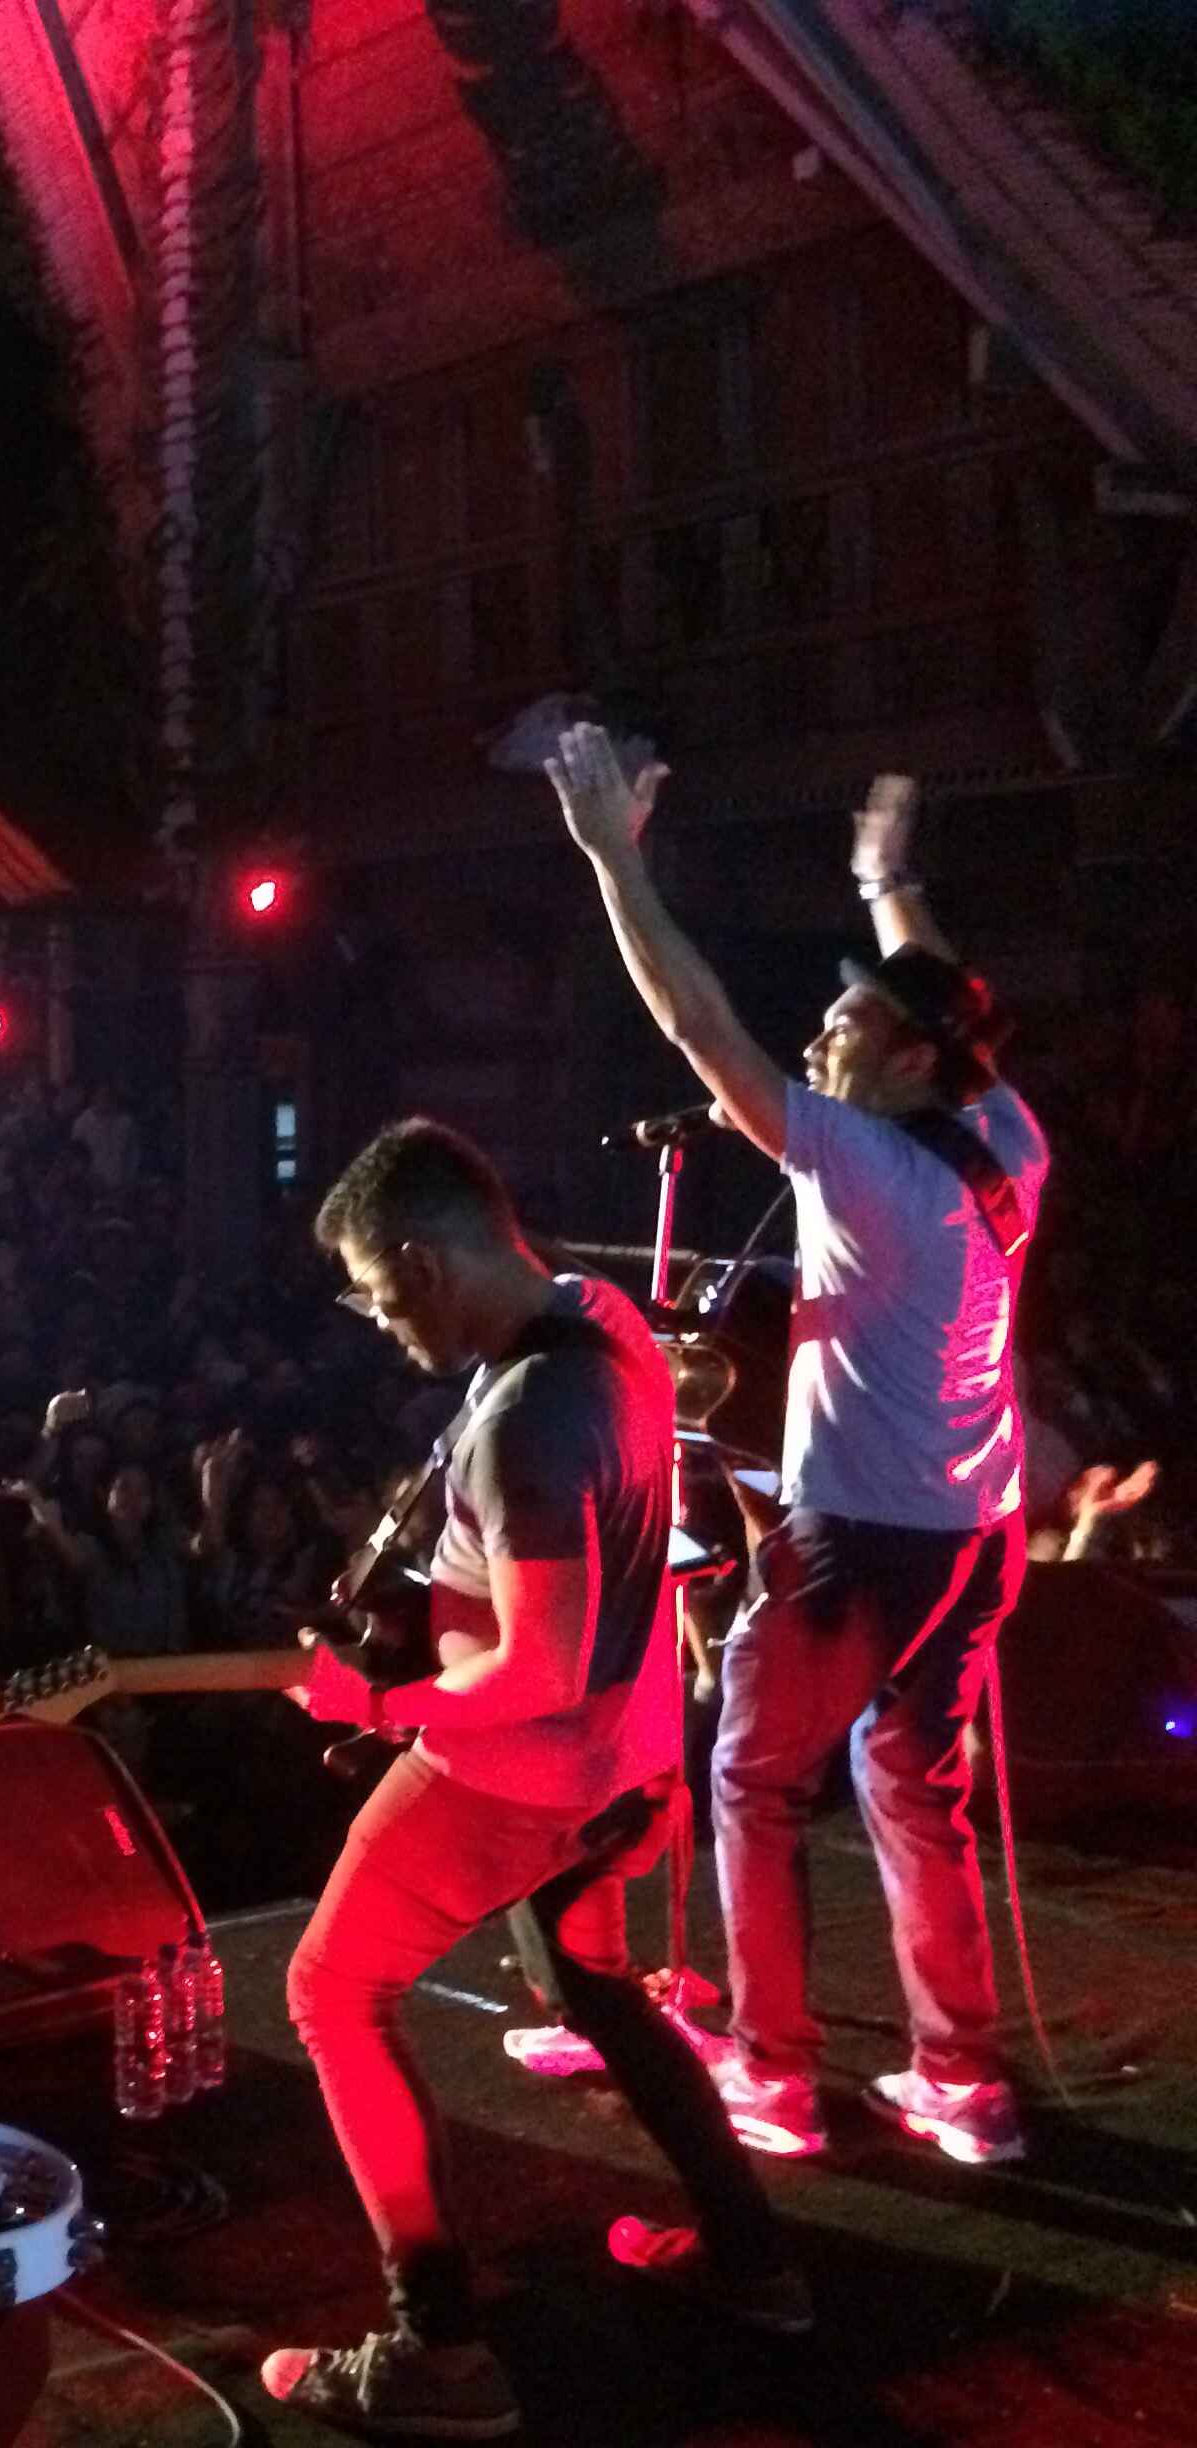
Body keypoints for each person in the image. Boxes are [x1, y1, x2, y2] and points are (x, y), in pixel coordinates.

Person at [261, 1120, 800, 2441]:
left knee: (332, 1991)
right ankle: (756, 2261)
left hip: (521, 1774)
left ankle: (436, 2354)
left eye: (385, 1300)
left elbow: (536, 1671)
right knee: (591, 1983)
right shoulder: (603, 1317)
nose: (385, 1329)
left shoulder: (524, 1426)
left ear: (425, 1259)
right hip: (629, 1763)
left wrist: (376, 1700)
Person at [558, 731, 1043, 2164]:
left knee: (755, 1784)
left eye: (844, 1028)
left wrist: (610, 859)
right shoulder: (1004, 1138)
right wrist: (890, 889)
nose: (819, 1037)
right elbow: (945, 1009)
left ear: (901, 1060)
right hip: (976, 1538)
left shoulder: (861, 1161)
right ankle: (962, 2080)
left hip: (856, 1551)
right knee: (914, 1789)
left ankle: (772, 2073)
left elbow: (697, 1019)